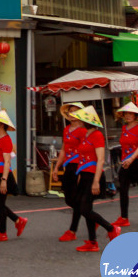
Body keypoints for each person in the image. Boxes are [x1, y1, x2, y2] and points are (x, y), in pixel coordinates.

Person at [63, 105, 120, 253]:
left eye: (81, 117)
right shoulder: (86, 135)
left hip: (93, 176)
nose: (78, 119)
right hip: (84, 175)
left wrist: (96, 181)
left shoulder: (97, 135)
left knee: (84, 208)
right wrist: (80, 175)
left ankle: (111, 228)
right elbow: (82, 157)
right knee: (84, 207)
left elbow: (100, 160)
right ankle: (92, 241)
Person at [0, 109, 27, 242]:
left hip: (1, 174)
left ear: (2, 124)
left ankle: (3, 232)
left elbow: (7, 161)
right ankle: (17, 220)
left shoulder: (6, 139)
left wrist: (4, 180)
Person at [50, 101, 86, 242]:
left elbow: (84, 151)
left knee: (76, 198)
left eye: (76, 111)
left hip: (79, 166)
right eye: (70, 111)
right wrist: (57, 167)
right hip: (68, 165)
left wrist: (82, 172)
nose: (72, 114)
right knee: (68, 196)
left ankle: (72, 230)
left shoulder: (83, 131)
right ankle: (90, 217)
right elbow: (64, 149)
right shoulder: (66, 130)